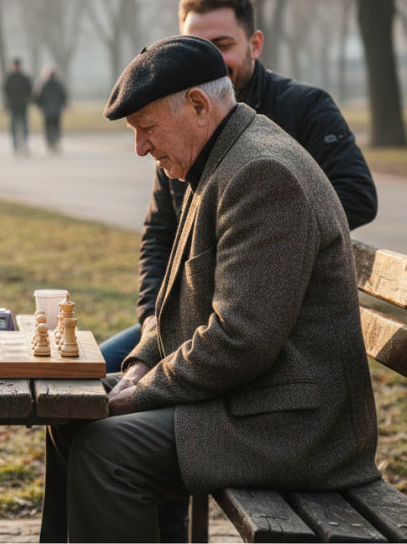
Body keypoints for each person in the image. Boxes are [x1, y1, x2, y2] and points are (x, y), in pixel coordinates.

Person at [53, 35, 379, 542]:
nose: (140, 147)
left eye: (146, 128)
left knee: (107, 451)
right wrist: (139, 365)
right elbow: (177, 303)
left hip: (293, 426)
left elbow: (240, 338)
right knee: (69, 416)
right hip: (251, 398)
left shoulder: (262, 172)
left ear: (199, 106)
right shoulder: (221, 156)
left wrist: (143, 394)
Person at [33, 66, 68, 155]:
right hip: (56, 110)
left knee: (48, 128)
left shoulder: (43, 85)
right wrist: (62, 105)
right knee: (56, 127)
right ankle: (56, 142)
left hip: (47, 110)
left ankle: (49, 144)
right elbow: (64, 97)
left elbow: (38, 97)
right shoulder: (59, 85)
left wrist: (40, 106)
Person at [3, 58, 33, 156]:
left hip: (23, 106)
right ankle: (15, 147)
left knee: (24, 127)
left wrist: (28, 101)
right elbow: (5, 94)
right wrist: (6, 106)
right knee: (13, 128)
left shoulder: (24, 78)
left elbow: (30, 91)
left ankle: (24, 145)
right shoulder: (8, 79)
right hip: (13, 107)